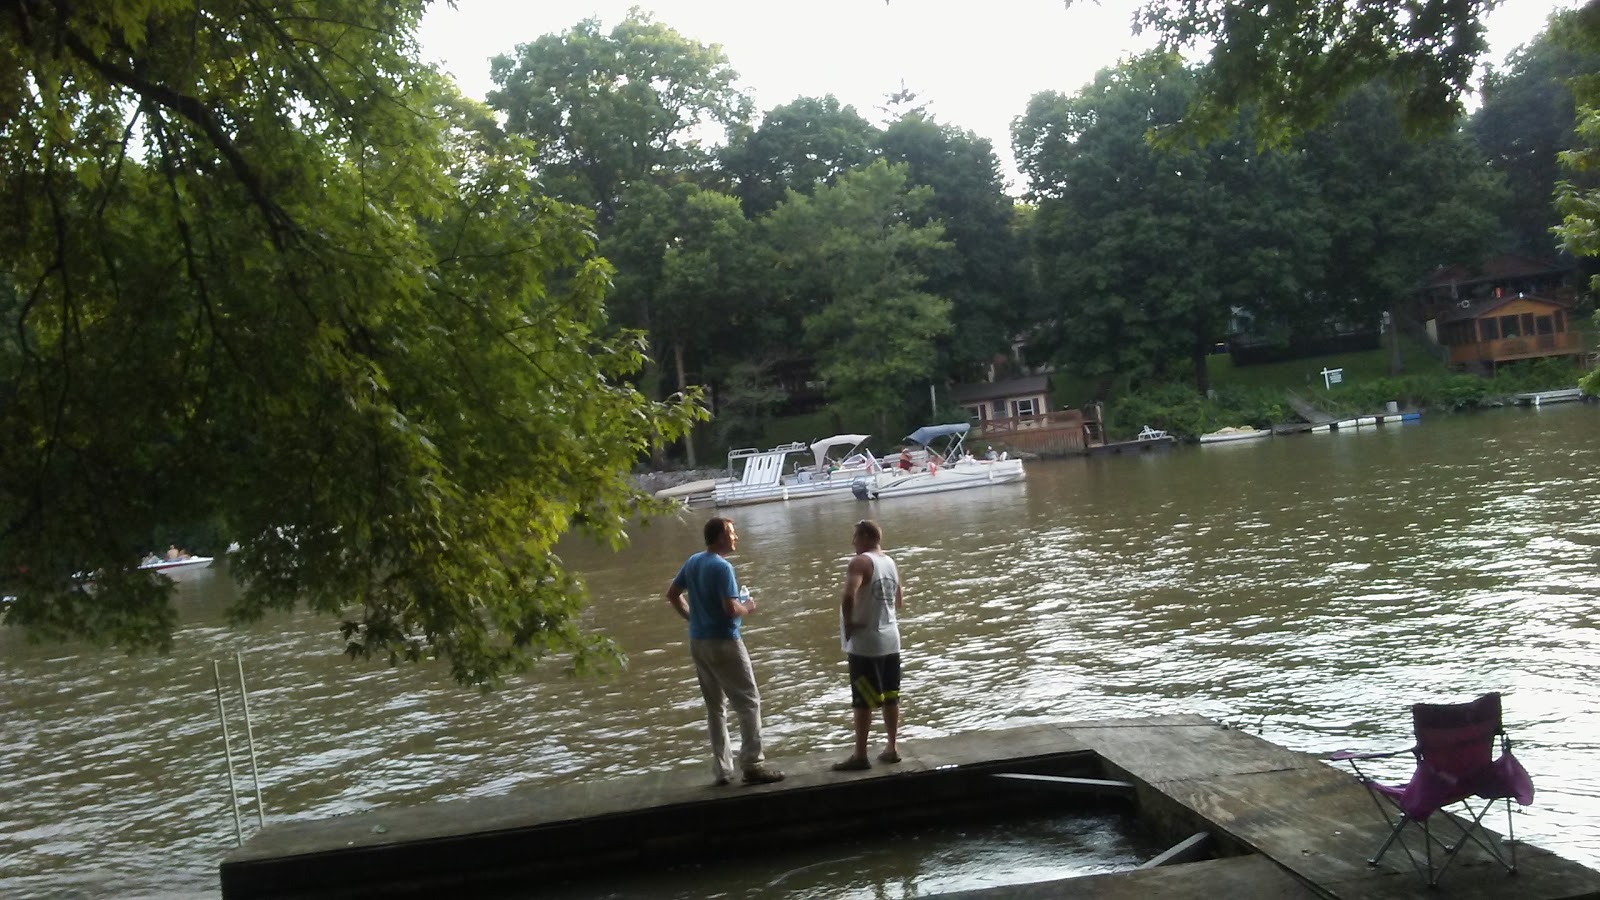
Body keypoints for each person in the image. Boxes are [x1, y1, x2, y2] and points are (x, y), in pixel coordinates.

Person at [665, 517, 785, 786]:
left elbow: (672, 594)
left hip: (698, 642)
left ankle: (722, 770)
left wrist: (692, 618)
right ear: (719, 537)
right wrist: (749, 607)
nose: (736, 537)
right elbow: (731, 609)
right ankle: (753, 765)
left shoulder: (693, 561)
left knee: (715, 708)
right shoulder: (722, 567)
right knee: (749, 702)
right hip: (725, 642)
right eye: (731, 533)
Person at [832, 518, 903, 771]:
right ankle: (892, 748)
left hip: (866, 644)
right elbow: (899, 601)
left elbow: (848, 594)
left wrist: (850, 623)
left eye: (855, 538)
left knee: (862, 700)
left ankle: (860, 755)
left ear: (865, 538)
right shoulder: (890, 562)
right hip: (891, 639)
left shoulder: (860, 562)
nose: (853, 543)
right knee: (890, 696)